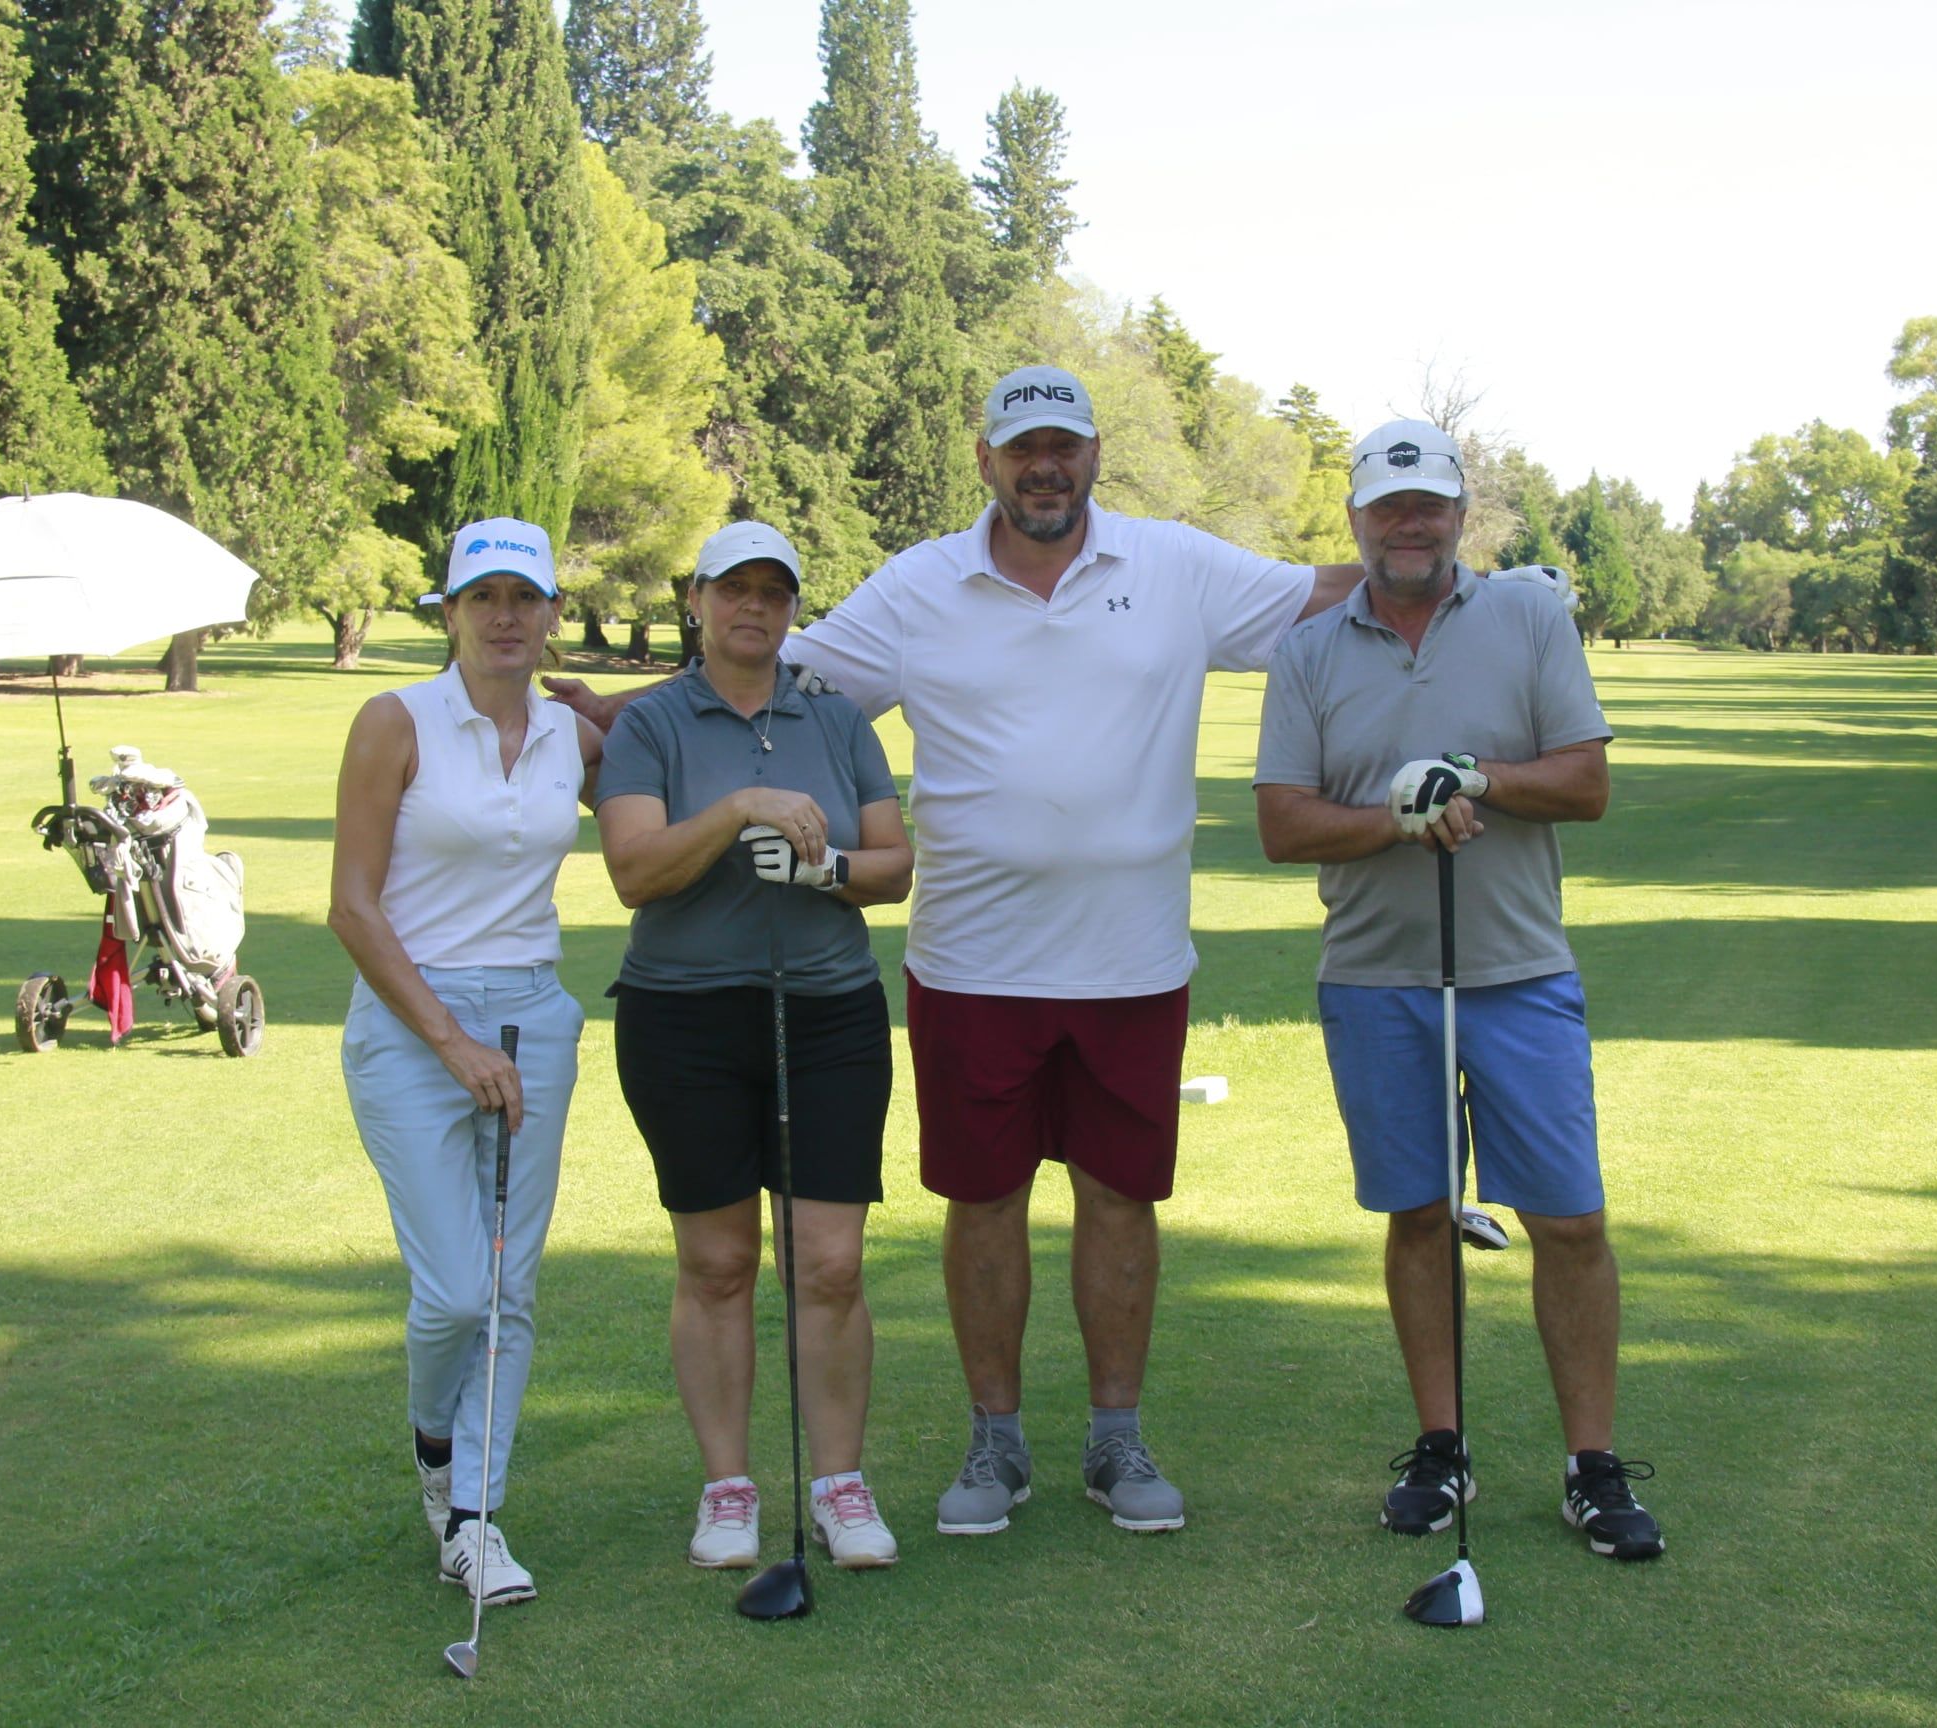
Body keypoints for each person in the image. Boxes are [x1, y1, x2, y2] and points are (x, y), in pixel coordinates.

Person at [562, 366, 1364, 1537]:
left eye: (1065, 446)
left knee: (1120, 1199)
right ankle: (995, 1445)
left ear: (1095, 455)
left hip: (1134, 959)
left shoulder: (1177, 566)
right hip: (973, 960)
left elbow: (1326, 595)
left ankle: (1115, 1439)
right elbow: (760, 671)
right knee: (982, 1200)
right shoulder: (922, 585)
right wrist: (608, 717)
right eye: (1022, 448)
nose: (1045, 466)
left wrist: (1448, 574)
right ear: (986, 460)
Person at [1252, 419, 1665, 1561]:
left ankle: (1592, 1465)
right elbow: (1283, 822)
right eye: (1389, 508)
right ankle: (1441, 1449)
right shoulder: (1310, 650)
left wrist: (1477, 777)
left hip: (1519, 972)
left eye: (1430, 505)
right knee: (1420, 1216)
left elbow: (1584, 784)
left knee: (1570, 1220)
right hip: (1377, 976)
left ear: (1460, 513)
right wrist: (1394, 813)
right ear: (1356, 521)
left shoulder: (1529, 615)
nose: (1411, 525)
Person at [593, 521, 914, 1572]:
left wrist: (820, 871)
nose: (754, 610)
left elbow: (893, 866)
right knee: (720, 1260)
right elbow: (635, 873)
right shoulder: (652, 726)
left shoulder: (836, 718)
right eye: (735, 591)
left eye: (775, 594)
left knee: (829, 1262)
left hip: (825, 1010)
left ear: (791, 609)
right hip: (683, 1015)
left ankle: (839, 1484)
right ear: (696, 599)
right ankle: (729, 1488)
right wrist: (738, 809)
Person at [328, 518, 603, 1606]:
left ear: (548, 615)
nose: (503, 617)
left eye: (523, 599)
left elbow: (670, 734)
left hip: (536, 1015)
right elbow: (351, 906)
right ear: (448, 611)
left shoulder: (569, 738)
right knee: (451, 1292)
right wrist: (451, 1042)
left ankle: (476, 1520)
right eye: (481, 598)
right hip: (411, 1024)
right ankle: (435, 1441)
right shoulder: (393, 722)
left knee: (511, 1286)